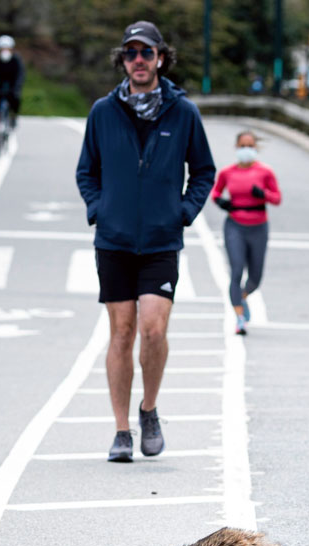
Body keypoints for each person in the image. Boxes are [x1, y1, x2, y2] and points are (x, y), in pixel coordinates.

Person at [75, 20, 215, 463]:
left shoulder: (183, 112)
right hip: (114, 240)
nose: (139, 60)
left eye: (146, 52)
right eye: (131, 53)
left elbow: (204, 172)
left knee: (153, 330)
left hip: (160, 240)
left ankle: (148, 410)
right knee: (121, 333)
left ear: (160, 58)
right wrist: (100, 208)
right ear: (124, 60)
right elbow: (86, 171)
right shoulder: (103, 112)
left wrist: (184, 212)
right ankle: (121, 432)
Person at [211, 131, 281, 335]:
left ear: (255, 148)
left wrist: (264, 194)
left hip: (258, 227)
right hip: (235, 225)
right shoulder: (227, 172)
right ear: (236, 147)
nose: (246, 150)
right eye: (242, 145)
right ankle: (240, 317)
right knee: (236, 270)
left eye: (250, 146)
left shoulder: (265, 172)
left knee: (255, 277)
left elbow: (277, 198)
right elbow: (215, 192)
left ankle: (242, 296)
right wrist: (221, 202)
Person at [0, 35, 25, 148]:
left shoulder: (16, 59)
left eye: (7, 49)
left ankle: (14, 116)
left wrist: (17, 87)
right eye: (2, 49)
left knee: (16, 100)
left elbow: (21, 75)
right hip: (1, 86)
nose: (4, 51)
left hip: (13, 85)